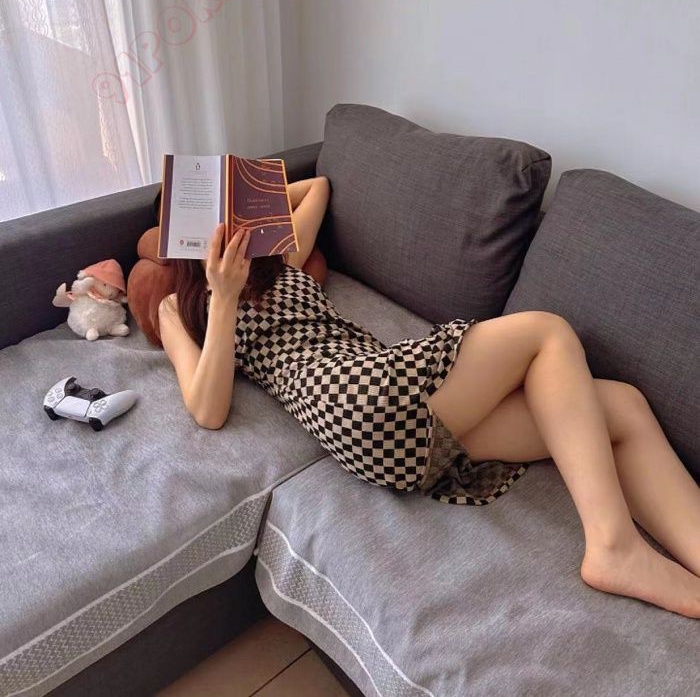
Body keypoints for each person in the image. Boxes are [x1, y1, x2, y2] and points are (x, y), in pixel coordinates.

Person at [159, 175, 700, 620]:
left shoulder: (278, 260)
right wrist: (223, 296)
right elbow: (208, 410)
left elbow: (318, 187)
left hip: (396, 422)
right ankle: (613, 545)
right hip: (347, 397)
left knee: (621, 407)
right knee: (547, 331)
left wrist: (253, 202)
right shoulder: (177, 308)